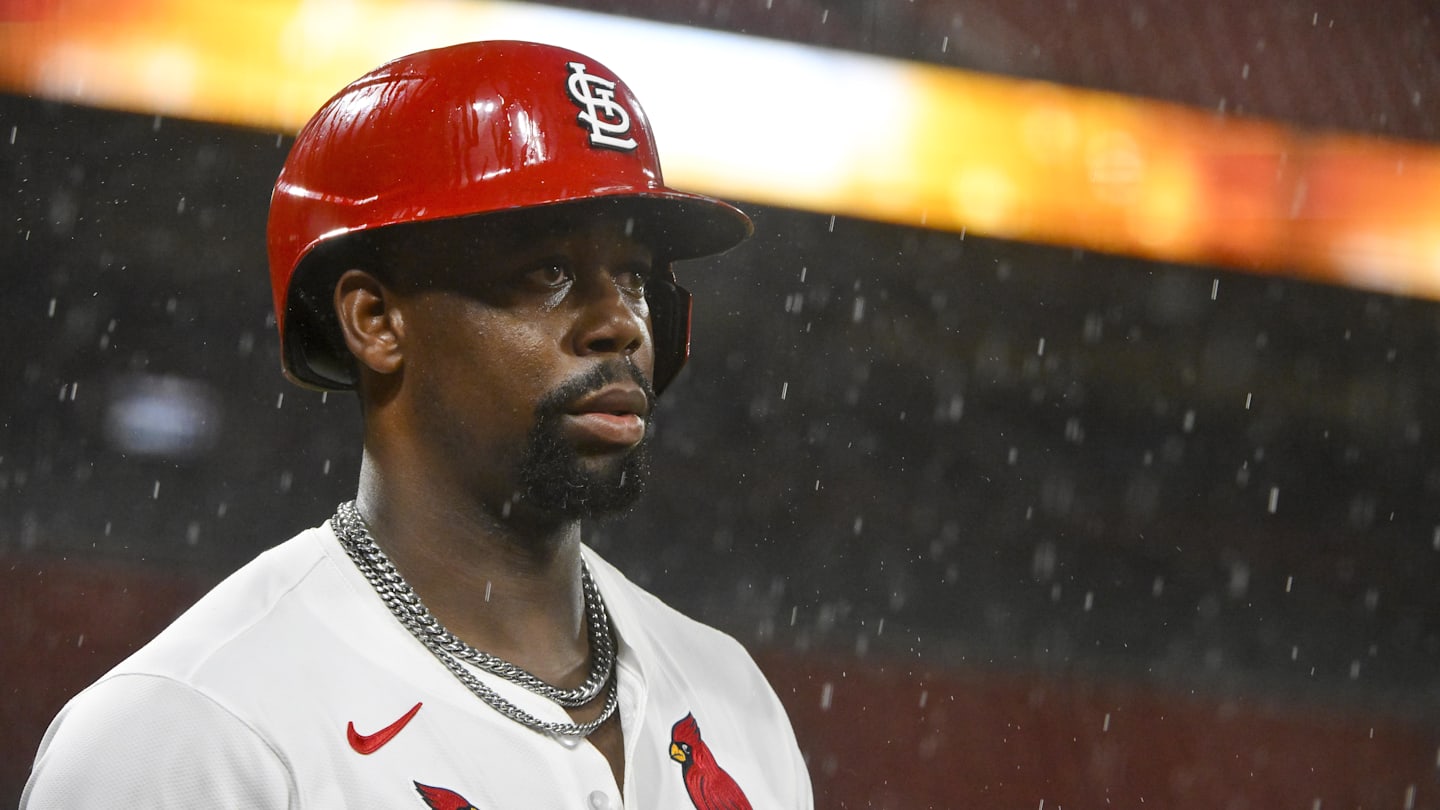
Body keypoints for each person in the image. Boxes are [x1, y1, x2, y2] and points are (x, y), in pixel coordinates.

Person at [22, 40, 813, 809]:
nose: (621, 323)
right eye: (550, 271)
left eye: (634, 277)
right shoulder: (192, 729)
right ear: (376, 321)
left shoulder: (733, 699)